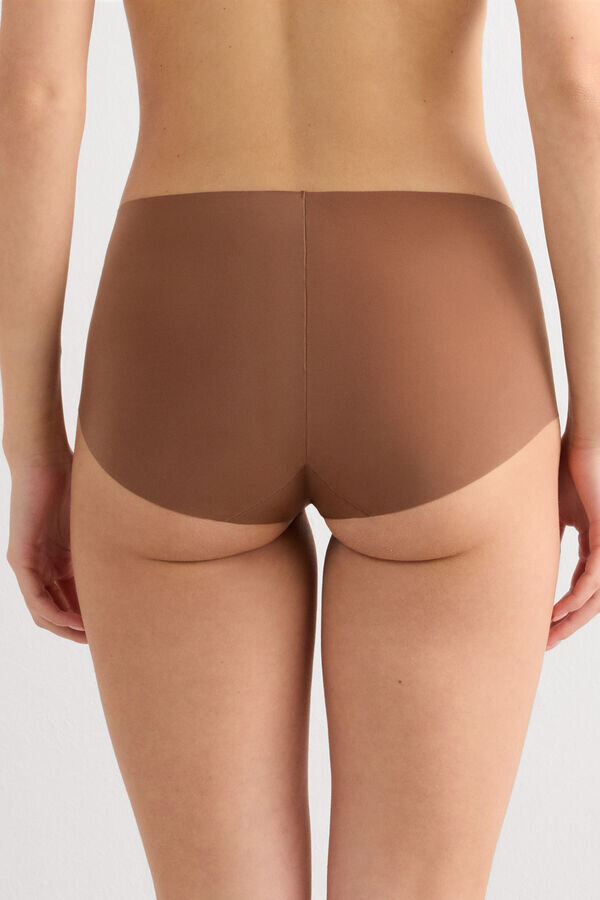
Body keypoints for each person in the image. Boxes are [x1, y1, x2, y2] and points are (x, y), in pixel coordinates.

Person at [1, 1, 599, 897]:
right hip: (440, 333)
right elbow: (578, 83)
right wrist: (596, 426)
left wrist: (34, 449)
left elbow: (32, 97)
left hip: (180, 337)